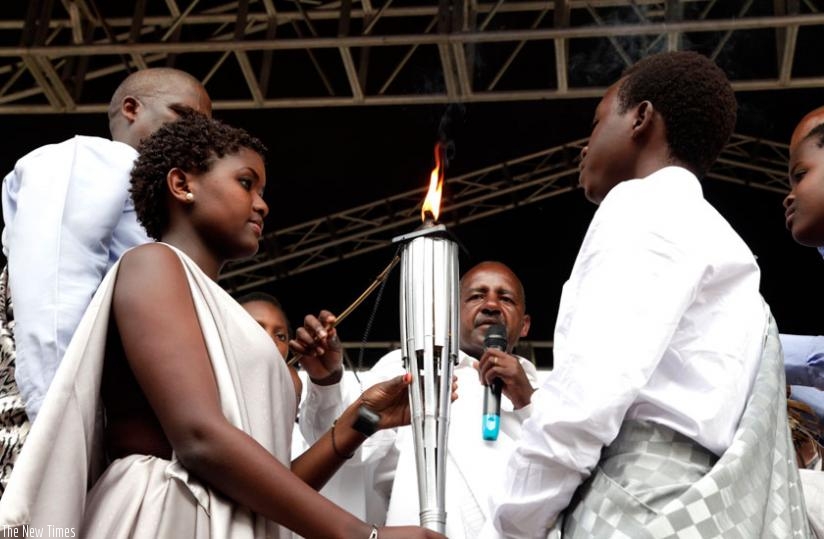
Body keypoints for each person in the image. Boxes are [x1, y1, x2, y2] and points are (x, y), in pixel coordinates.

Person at [0, 112, 445, 539]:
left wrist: (359, 420)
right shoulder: (153, 265)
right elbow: (200, 439)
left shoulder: (225, 314)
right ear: (182, 185)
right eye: (246, 183)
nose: (262, 204)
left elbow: (266, 489)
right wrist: (361, 534)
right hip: (162, 515)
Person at [482, 51, 808, 538]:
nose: (585, 147)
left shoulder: (641, 206)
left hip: (635, 510)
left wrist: (514, 519)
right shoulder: (732, 252)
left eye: (596, 124)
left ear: (641, 118)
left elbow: (585, 400)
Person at [0, 67, 212, 493]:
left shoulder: (156, 204)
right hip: (39, 426)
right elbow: (54, 300)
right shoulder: (95, 159)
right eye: (185, 116)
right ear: (132, 109)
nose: (196, 137)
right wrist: (60, 440)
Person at [294, 260, 539, 537]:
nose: (491, 305)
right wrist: (327, 381)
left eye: (505, 298)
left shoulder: (548, 395)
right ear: (451, 315)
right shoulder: (409, 368)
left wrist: (527, 400)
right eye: (476, 296)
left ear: (525, 325)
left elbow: (560, 471)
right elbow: (349, 449)